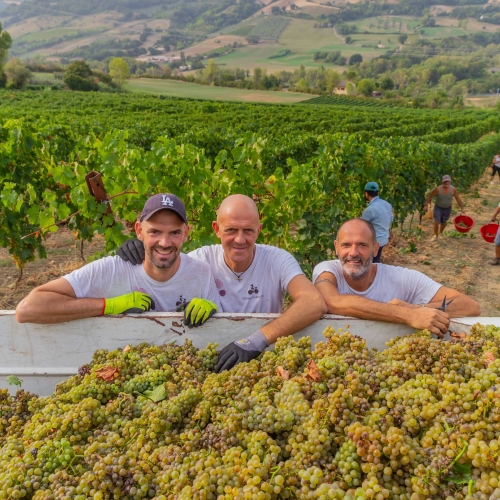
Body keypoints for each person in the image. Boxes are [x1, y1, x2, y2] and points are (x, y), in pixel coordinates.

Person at [117, 194, 327, 372]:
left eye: (248, 231)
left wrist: (255, 340)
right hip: (212, 364)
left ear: (259, 229)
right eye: (231, 230)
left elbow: (313, 302)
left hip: (265, 362)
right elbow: (162, 272)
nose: (240, 239)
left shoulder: (277, 261)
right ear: (217, 229)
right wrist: (143, 248)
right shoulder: (199, 261)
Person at [16, 194, 220, 326]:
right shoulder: (111, 270)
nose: (164, 242)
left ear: (186, 234)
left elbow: (223, 327)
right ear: (139, 231)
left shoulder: (201, 273)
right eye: (155, 232)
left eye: (174, 233)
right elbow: (28, 308)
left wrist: (215, 310)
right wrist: (108, 305)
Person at [313, 218, 480, 337]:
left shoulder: (401, 278)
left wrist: (418, 308)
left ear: (375, 249)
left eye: (362, 245)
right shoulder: (326, 270)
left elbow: (470, 306)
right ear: (336, 248)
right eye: (346, 245)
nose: (353, 252)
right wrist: (406, 314)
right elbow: (331, 301)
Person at [424, 175, 465, 241]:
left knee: (444, 222)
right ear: (442, 182)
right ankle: (435, 235)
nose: (446, 183)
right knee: (436, 221)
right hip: (438, 207)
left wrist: (462, 208)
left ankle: (440, 233)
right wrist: (426, 205)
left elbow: (457, 198)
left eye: (447, 181)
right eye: (445, 181)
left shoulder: (453, 189)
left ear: (450, 182)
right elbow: (430, 196)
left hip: (447, 208)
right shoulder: (438, 189)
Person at [360, 181, 393, 263]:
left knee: (372, 261)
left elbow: (361, 226)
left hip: (376, 241)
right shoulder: (387, 204)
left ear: (366, 194)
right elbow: (391, 219)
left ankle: (375, 272)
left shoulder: (370, 210)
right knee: (376, 257)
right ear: (378, 192)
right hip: (384, 238)